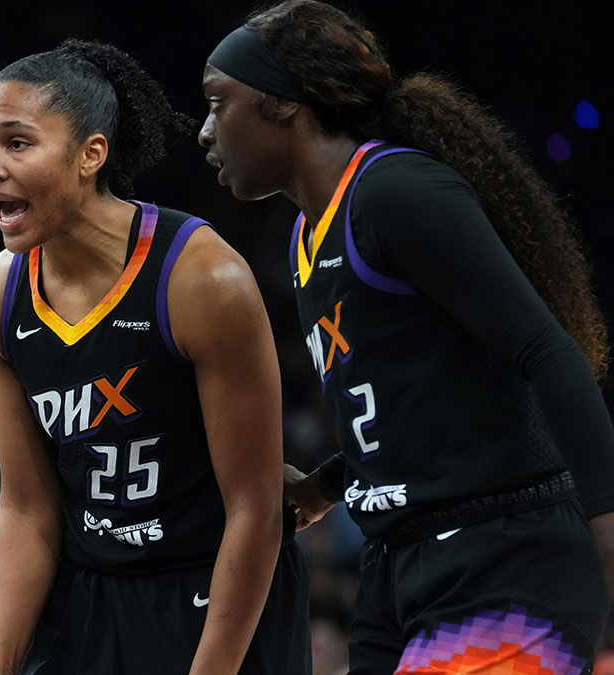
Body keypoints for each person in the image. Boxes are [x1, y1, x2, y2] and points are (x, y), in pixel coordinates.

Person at [199, 1, 614, 672]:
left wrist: (609, 528)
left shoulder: (394, 191)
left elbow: (546, 350)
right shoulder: (310, 236)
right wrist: (325, 486)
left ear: (284, 106)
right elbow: (417, 394)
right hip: (395, 570)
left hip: (505, 554)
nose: (205, 131)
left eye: (220, 104)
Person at [0, 40, 310, 675]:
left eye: (17, 143)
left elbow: (256, 508)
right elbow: (26, 510)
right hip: (90, 592)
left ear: (90, 154)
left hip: (213, 586)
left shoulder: (203, 278)